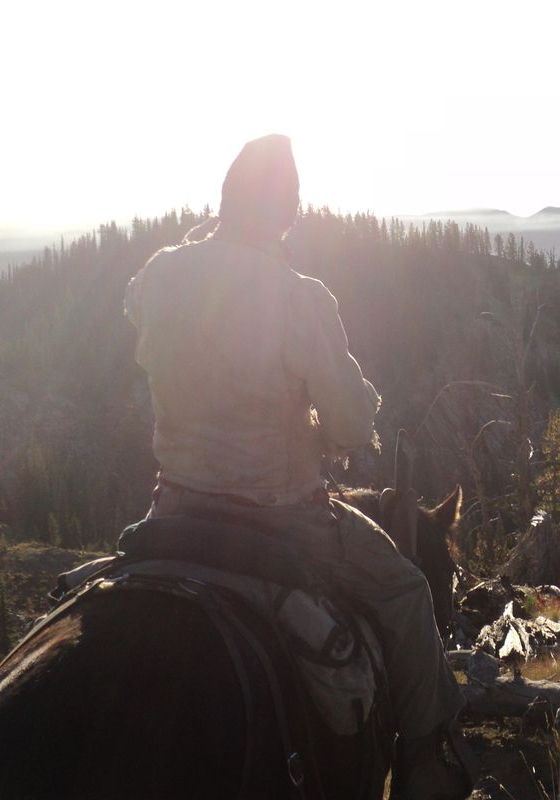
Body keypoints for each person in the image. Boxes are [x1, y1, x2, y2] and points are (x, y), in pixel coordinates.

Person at [124, 134, 471, 800]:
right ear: (288, 214)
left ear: (225, 201)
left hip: (172, 509)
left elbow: (136, 308)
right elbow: (348, 426)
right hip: (283, 515)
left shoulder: (161, 273)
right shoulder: (300, 297)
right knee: (405, 592)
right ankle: (429, 764)